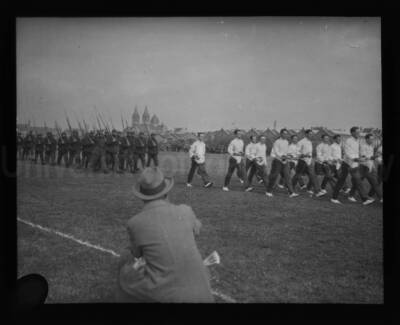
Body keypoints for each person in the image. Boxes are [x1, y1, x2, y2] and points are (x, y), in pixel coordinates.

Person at [117, 167, 214, 302]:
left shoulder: (135, 223)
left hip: (167, 295)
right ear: (166, 192)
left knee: (125, 270)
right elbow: (197, 229)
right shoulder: (185, 210)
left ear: (142, 196)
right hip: (204, 295)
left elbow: (137, 254)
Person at [330, 127, 375, 205]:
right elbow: (347, 152)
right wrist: (355, 159)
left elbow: (358, 152)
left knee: (354, 180)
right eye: (357, 132)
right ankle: (334, 198)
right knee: (346, 180)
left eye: (359, 132)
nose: (359, 133)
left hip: (354, 164)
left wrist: (362, 156)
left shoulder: (357, 141)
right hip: (347, 164)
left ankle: (361, 198)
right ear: (352, 133)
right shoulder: (348, 141)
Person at [348, 133, 382, 203]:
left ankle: (381, 198)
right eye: (370, 139)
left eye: (373, 139)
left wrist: (373, 164)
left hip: (370, 167)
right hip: (363, 167)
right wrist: (373, 157)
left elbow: (371, 158)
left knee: (375, 183)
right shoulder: (363, 146)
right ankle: (351, 195)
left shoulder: (371, 146)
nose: (372, 140)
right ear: (366, 139)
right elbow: (364, 157)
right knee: (357, 183)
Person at [291, 129, 326, 197]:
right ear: (306, 134)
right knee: (298, 175)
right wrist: (304, 155)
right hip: (302, 161)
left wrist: (310, 159)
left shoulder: (310, 142)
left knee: (313, 175)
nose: (311, 135)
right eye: (310, 134)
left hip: (309, 162)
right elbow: (297, 152)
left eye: (312, 134)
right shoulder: (301, 142)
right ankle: (290, 187)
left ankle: (317, 191)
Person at [265, 129, 298, 197]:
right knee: (274, 176)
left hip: (285, 162)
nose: (285, 135)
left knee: (287, 176)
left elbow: (286, 151)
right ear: (281, 134)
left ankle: (291, 192)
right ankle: (268, 191)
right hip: (277, 161)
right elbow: (276, 152)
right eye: (284, 134)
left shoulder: (286, 142)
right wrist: (282, 156)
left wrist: (289, 155)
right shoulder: (277, 142)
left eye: (286, 134)